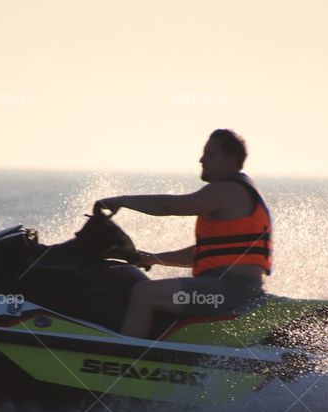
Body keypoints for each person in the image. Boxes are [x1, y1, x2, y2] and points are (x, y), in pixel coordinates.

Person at [97, 129, 272, 339]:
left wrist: (122, 201)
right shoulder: (235, 192)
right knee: (142, 289)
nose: (201, 160)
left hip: (225, 292)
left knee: (144, 293)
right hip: (224, 289)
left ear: (231, 161)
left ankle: (125, 361)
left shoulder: (228, 190)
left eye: (210, 154)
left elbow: (172, 205)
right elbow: (204, 254)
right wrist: (154, 258)